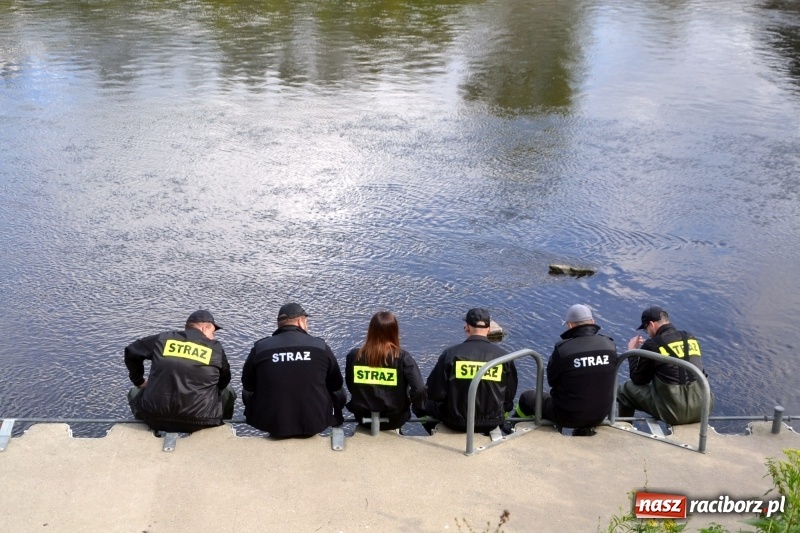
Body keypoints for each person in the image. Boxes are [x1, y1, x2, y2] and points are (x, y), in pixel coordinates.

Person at [241, 303, 346, 438]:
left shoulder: (260, 348)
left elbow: (248, 385)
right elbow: (336, 383)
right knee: (338, 391)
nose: (307, 325)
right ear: (300, 321)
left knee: (247, 391)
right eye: (306, 321)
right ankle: (334, 423)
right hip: (315, 421)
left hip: (272, 422)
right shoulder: (320, 346)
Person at [124, 309, 236, 433]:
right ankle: (220, 430)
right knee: (228, 391)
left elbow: (131, 351)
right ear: (204, 328)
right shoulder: (215, 348)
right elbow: (224, 380)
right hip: (201, 420)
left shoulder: (163, 339)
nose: (213, 337)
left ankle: (148, 430)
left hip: (153, 417)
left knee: (135, 391)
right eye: (213, 332)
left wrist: (139, 380)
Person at [514, 304, 617, 435]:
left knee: (527, 397)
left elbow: (552, 380)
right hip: (601, 414)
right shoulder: (610, 345)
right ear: (593, 322)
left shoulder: (563, 349)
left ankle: (511, 427)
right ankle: (582, 431)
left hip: (567, 416)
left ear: (570, 325)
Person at [419, 308, 517, 434]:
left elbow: (435, 392)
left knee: (418, 404)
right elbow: (509, 397)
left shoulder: (451, 354)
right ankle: (509, 428)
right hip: (492, 422)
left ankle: (434, 431)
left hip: (454, 422)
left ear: (467, 327)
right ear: (488, 329)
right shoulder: (503, 357)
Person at [617, 306, 713, 425]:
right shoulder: (690, 337)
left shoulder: (652, 344)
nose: (647, 333)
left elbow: (638, 380)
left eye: (645, 329)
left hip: (676, 412)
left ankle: (623, 429)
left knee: (624, 390)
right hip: (703, 406)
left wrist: (632, 352)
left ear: (651, 324)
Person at [345, 311, 426, 432]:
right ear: (394, 332)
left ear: (371, 331)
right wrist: (416, 405)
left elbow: (350, 384)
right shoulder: (403, 358)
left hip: (363, 417)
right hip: (395, 418)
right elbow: (419, 389)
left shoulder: (354, 356)